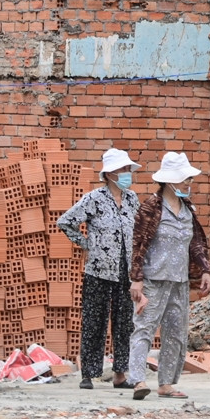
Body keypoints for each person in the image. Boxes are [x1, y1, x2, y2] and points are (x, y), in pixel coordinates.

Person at [126, 151, 210, 401]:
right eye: (185, 178)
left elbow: (195, 242)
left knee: (175, 332)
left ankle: (166, 383)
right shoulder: (150, 208)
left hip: (179, 282)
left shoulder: (187, 209)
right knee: (144, 329)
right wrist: (137, 278)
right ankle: (138, 380)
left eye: (189, 179)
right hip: (153, 280)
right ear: (170, 180)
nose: (189, 183)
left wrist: (204, 268)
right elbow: (139, 244)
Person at [55, 147, 140, 391]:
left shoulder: (132, 199)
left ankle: (120, 374)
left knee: (125, 323)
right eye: (123, 169)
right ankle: (88, 374)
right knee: (94, 322)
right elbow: (66, 221)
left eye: (127, 169)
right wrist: (86, 244)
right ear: (111, 173)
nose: (127, 173)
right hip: (98, 271)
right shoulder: (94, 198)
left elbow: (139, 231)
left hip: (125, 271)